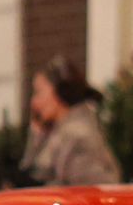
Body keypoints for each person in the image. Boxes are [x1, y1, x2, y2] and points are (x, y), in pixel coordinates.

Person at [17, 56, 121, 187]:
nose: (33, 103)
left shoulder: (76, 135)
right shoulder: (60, 131)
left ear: (61, 92)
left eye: (38, 92)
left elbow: (39, 183)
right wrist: (36, 135)